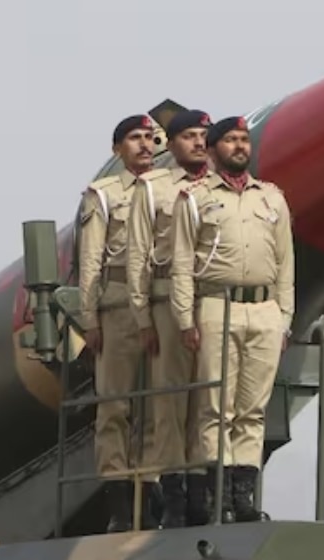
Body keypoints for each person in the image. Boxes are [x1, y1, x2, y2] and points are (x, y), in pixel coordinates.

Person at [169, 115, 294, 523]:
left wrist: (284, 317)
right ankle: (215, 497)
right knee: (214, 407)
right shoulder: (195, 198)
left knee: (252, 410)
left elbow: (285, 264)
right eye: (230, 140)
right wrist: (185, 319)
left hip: (263, 310)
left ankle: (243, 499)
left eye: (244, 139)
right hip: (215, 306)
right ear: (213, 149)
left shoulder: (271, 199)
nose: (240, 146)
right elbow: (182, 263)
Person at [125, 110, 215, 528]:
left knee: (207, 404)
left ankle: (200, 495)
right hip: (165, 304)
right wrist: (142, 317)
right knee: (170, 404)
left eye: (203, 135)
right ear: (173, 143)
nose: (198, 142)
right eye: (189, 136)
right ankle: (175, 496)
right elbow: (138, 254)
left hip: (211, 304)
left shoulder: (220, 189)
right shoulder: (153, 188)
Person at [77, 113, 160, 533]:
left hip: (161, 308)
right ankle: (120, 506)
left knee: (156, 408)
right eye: (134, 138)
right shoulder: (104, 195)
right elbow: (90, 261)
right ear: (117, 149)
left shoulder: (171, 191)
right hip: (118, 308)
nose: (144, 144)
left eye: (150, 137)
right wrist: (89, 318)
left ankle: (151, 499)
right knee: (115, 407)